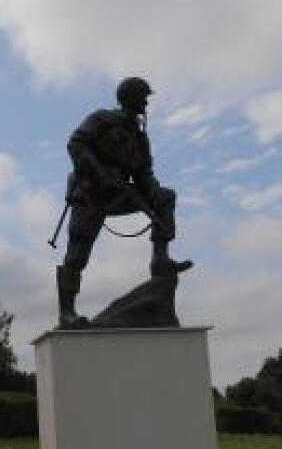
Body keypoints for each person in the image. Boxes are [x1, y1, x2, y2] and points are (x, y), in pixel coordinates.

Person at [57, 76, 192, 328]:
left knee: (165, 198)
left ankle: (160, 260)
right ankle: (67, 312)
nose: (146, 103)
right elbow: (76, 143)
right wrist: (99, 174)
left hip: (119, 194)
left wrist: (153, 191)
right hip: (89, 192)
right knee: (78, 253)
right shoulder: (101, 119)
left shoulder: (140, 138)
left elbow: (144, 174)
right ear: (128, 98)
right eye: (143, 97)